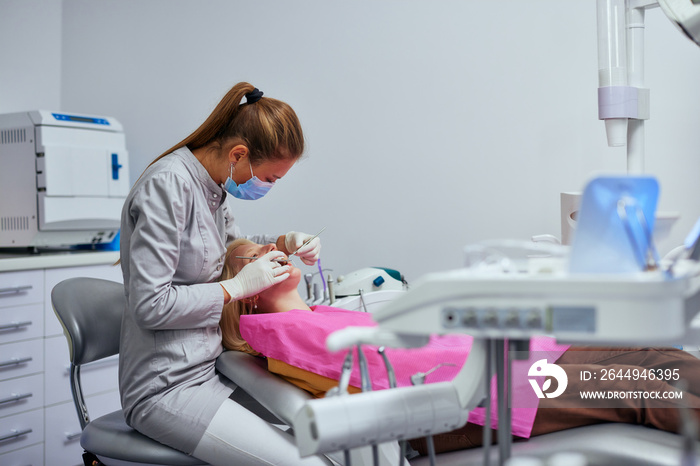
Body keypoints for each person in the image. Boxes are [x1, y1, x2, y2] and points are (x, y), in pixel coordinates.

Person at [220, 239, 700, 457]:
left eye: (264, 248)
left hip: (504, 363)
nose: (269, 256)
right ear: (246, 290)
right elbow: (385, 370)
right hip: (474, 397)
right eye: (254, 260)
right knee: (648, 383)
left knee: (652, 351)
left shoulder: (318, 313)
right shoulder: (276, 331)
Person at [118, 82, 331, 466]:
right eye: (269, 178)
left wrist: (284, 243)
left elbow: (231, 251)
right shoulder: (169, 185)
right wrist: (234, 289)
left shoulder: (213, 189)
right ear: (239, 154)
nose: (268, 186)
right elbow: (150, 306)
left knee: (333, 436)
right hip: (166, 386)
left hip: (215, 368)